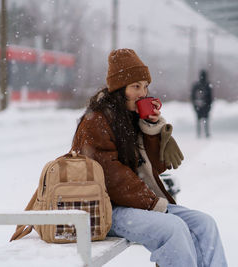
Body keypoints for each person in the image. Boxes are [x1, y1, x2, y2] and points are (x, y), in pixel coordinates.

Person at [71, 49, 227, 267]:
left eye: (145, 86)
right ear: (119, 89)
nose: (143, 93)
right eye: (136, 86)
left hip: (134, 203)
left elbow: (155, 168)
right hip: (106, 208)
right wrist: (152, 202)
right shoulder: (96, 121)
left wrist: (152, 129)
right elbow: (110, 177)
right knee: (173, 229)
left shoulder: (131, 117)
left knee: (204, 224)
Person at [191, 70, 213, 138]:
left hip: (198, 106)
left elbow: (192, 96)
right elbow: (210, 97)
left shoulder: (196, 85)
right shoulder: (207, 85)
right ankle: (206, 133)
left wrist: (195, 105)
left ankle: (199, 133)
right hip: (205, 106)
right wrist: (209, 106)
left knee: (199, 120)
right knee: (205, 120)